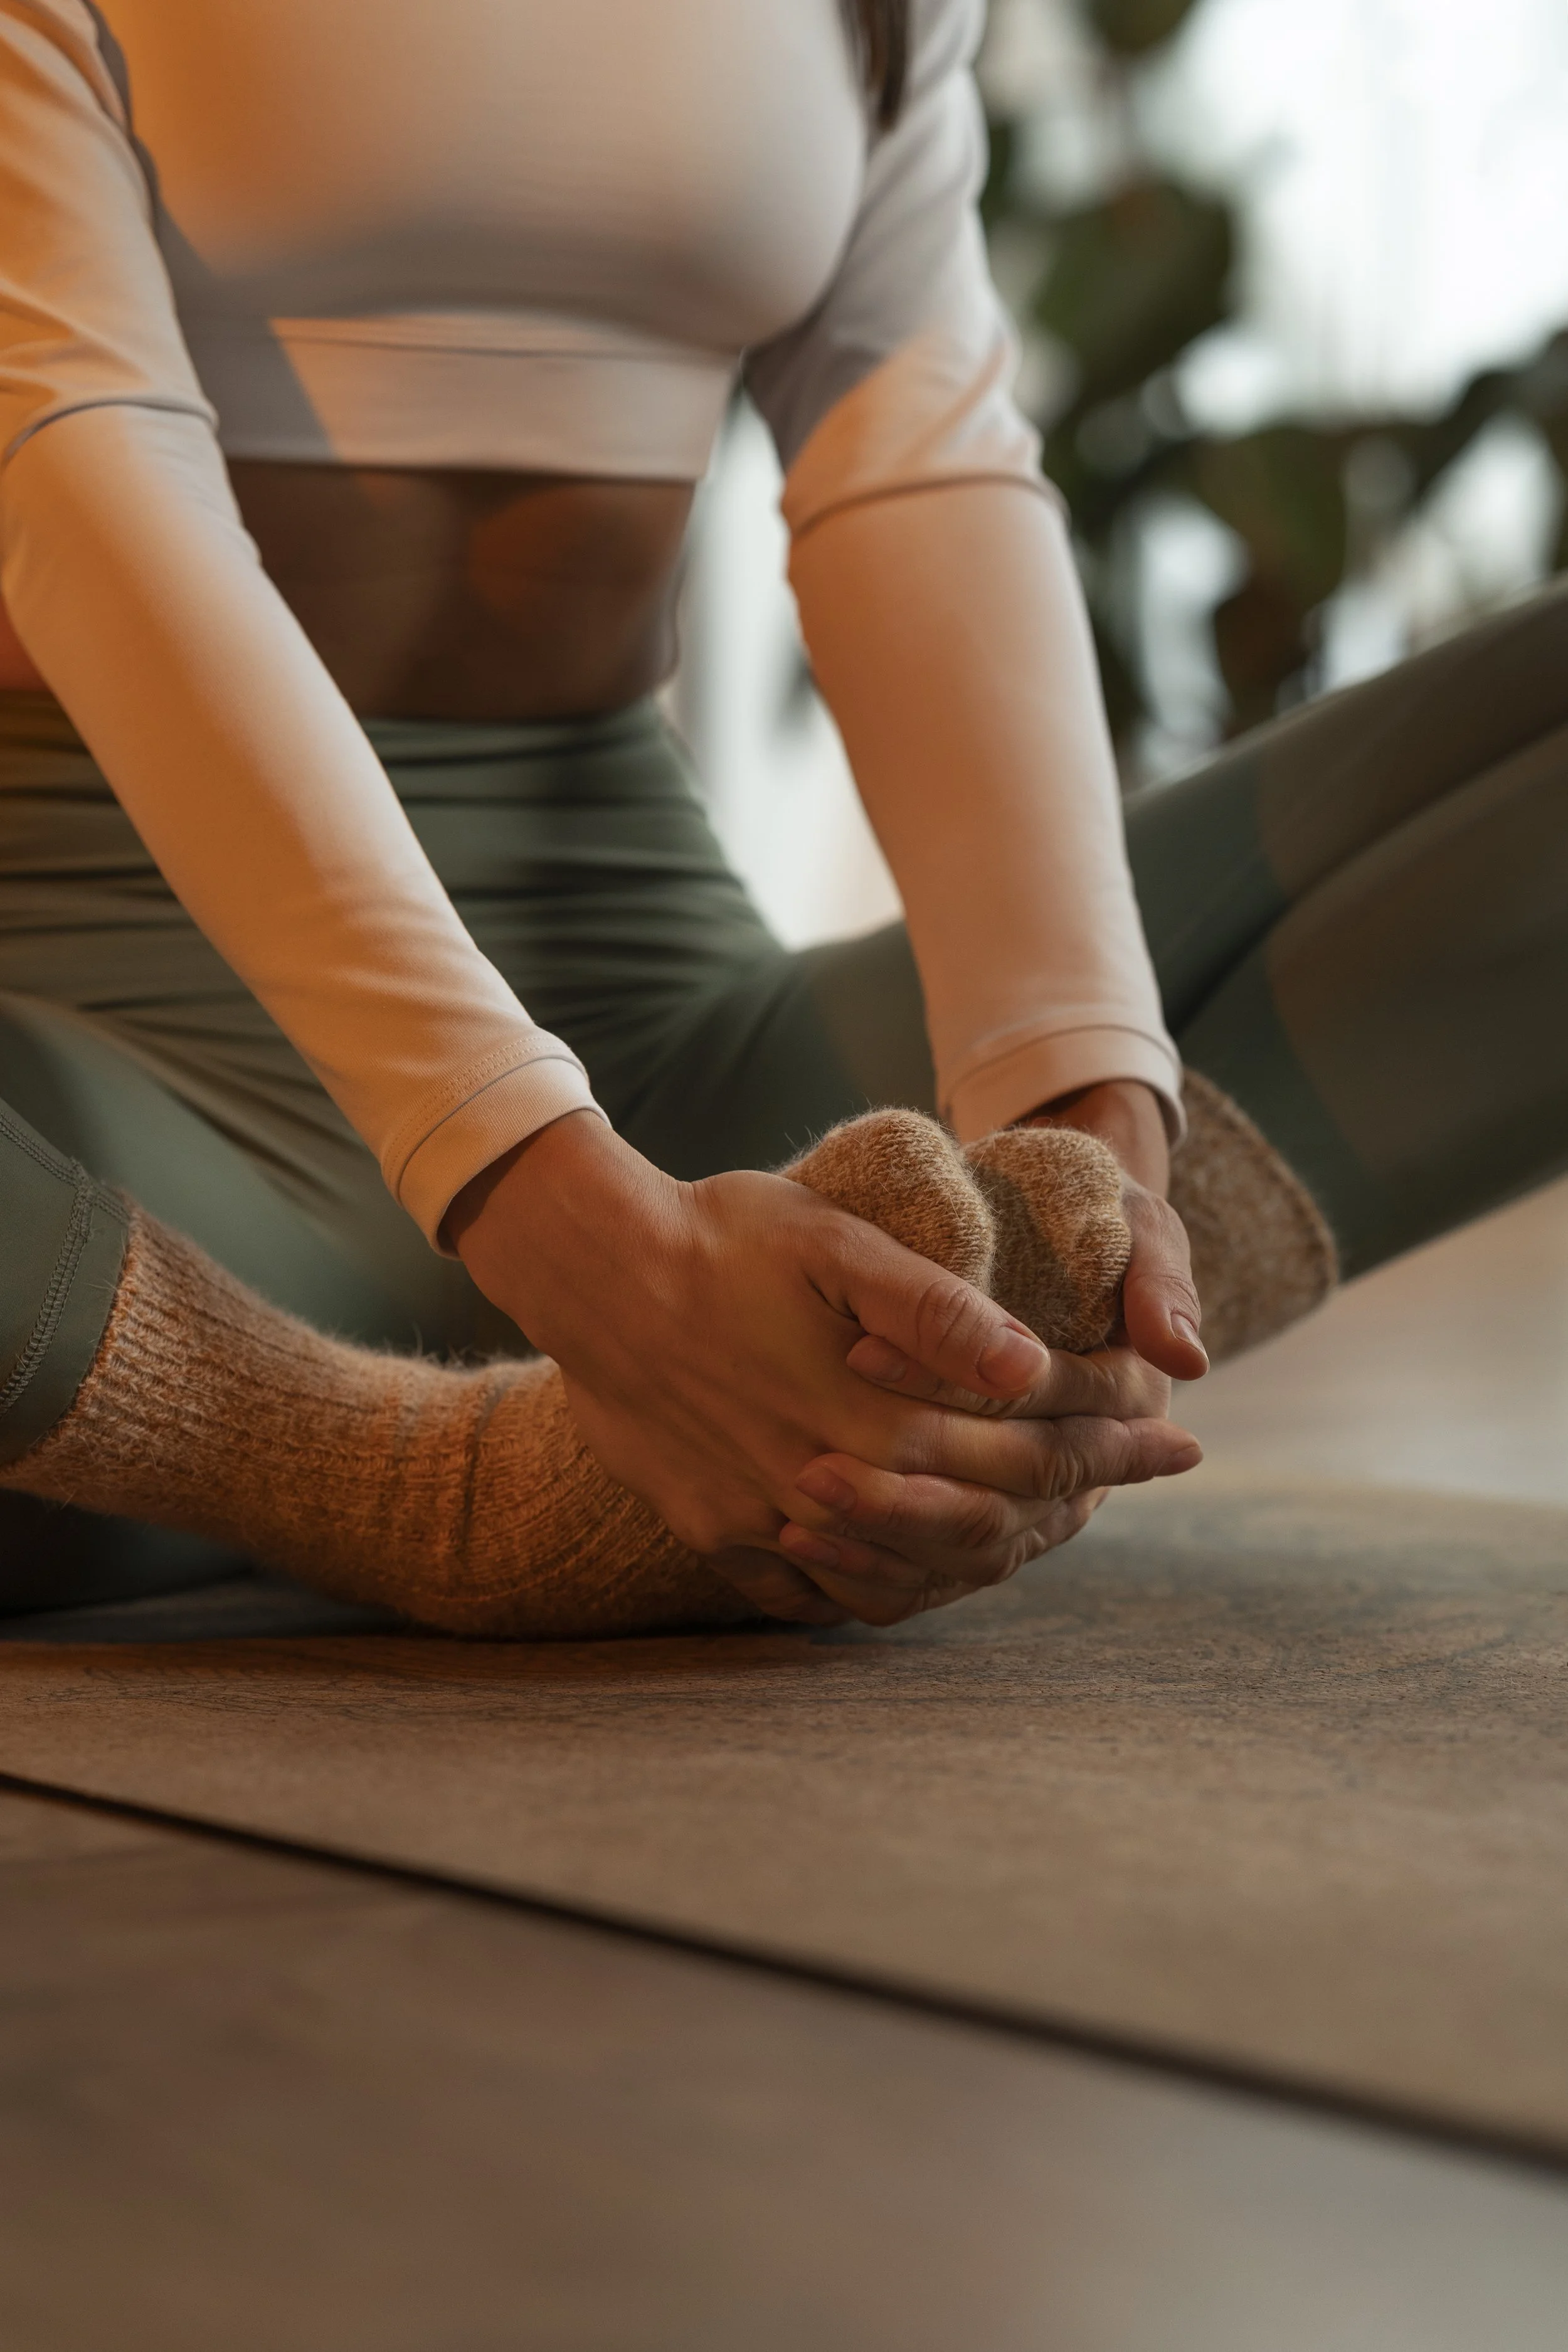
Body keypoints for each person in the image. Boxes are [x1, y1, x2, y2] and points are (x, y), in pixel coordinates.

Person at [0, 0, 1562, 1631]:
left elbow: (920, 457)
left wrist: (1090, 1132)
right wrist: (565, 1225)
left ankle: (916, 1386)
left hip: (673, 1058)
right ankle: (406, 1470)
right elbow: (77, 460)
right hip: (93, 1098)